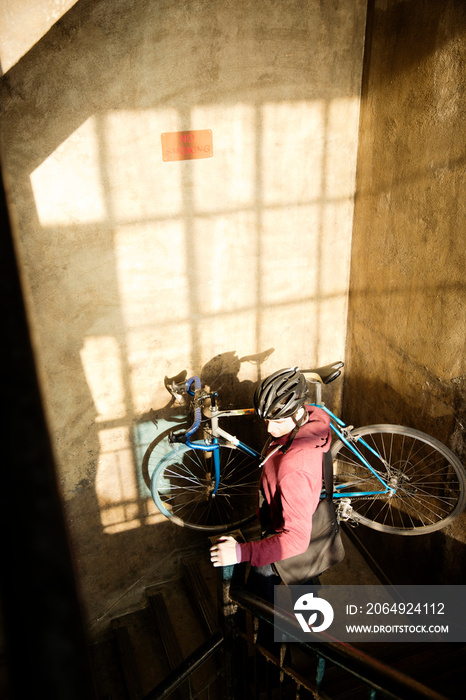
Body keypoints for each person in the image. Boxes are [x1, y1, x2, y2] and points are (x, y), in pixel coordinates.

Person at [209, 367, 331, 601]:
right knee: (302, 583)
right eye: (267, 420)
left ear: (296, 413)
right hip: (300, 517)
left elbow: (295, 540)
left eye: (277, 421)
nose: (269, 429)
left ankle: (277, 634)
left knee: (261, 593)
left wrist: (241, 552)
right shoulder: (313, 418)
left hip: (286, 533)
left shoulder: (294, 468)